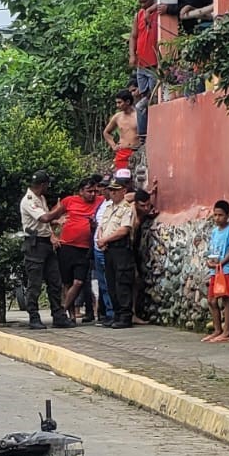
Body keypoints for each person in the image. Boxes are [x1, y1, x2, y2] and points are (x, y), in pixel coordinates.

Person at [19, 171, 73, 330]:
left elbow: (46, 223)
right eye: (47, 184)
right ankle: (34, 317)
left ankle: (58, 315)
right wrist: (61, 208)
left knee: (55, 281)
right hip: (34, 245)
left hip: (46, 243)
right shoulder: (28, 200)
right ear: (42, 185)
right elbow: (44, 218)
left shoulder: (40, 199)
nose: (48, 187)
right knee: (34, 284)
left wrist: (53, 231)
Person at [53, 177, 101, 323]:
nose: (92, 194)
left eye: (94, 191)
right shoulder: (69, 201)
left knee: (79, 282)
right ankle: (71, 316)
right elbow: (48, 216)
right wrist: (54, 231)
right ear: (81, 191)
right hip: (67, 246)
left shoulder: (100, 201)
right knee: (67, 282)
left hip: (85, 248)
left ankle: (61, 311)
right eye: (89, 191)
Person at [95, 177, 137, 329]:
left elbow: (124, 230)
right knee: (111, 283)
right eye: (110, 190)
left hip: (120, 248)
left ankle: (125, 316)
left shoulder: (127, 209)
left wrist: (105, 239)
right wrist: (102, 240)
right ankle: (116, 314)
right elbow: (101, 226)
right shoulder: (108, 208)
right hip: (108, 248)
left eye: (115, 190)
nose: (111, 193)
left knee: (122, 282)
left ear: (124, 191)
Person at [204, 200, 229, 343]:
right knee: (212, 300)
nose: (217, 218)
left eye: (220, 215)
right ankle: (217, 329)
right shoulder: (214, 232)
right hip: (215, 271)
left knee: (226, 299)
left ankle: (226, 332)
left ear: (227, 215)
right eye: (214, 215)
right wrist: (210, 263)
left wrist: (222, 263)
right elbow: (212, 250)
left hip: (226, 270)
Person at [131, 0, 161, 138]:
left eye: (145, 2)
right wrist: (132, 55)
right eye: (140, 2)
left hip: (154, 63)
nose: (143, 5)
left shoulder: (159, 12)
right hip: (141, 63)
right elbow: (133, 36)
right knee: (143, 97)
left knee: (151, 98)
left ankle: (148, 134)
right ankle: (145, 134)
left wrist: (151, 9)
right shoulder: (138, 15)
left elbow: (166, 1)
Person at [131, 183, 158, 324]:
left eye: (148, 205)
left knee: (136, 281)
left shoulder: (145, 214)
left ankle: (133, 312)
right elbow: (126, 197)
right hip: (126, 250)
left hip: (135, 251)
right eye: (142, 206)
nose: (146, 208)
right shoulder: (132, 214)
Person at [104, 91, 140, 174]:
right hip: (122, 152)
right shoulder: (117, 116)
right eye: (116, 103)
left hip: (137, 151)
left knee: (137, 178)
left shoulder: (139, 114)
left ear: (127, 102)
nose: (117, 105)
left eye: (119, 102)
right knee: (121, 179)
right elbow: (106, 132)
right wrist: (113, 146)